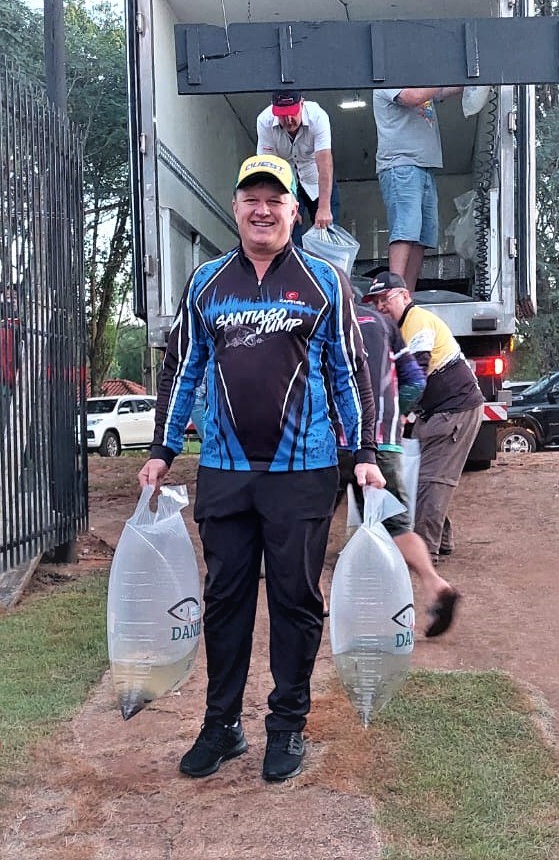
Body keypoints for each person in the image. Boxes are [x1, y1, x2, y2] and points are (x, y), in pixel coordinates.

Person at [138, 154, 384, 785]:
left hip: (303, 470)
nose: (263, 209)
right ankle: (221, 726)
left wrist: (363, 453)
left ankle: (287, 725)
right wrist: (164, 448)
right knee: (225, 601)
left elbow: (348, 374)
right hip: (224, 469)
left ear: (294, 211)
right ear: (236, 206)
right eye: (252, 198)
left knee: (295, 600)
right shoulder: (207, 283)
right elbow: (184, 370)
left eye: (275, 199)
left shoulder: (324, 282)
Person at [334, 297, 460, 637]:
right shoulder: (386, 325)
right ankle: (435, 584)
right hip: (382, 443)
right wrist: (395, 414)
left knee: (311, 522)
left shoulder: (324, 319)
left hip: (334, 441)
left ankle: (316, 599)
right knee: (398, 526)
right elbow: (416, 380)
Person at [362, 271, 484, 563]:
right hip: (434, 411)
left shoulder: (417, 320)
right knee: (421, 479)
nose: (380, 306)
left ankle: (424, 551)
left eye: (385, 298)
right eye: (375, 302)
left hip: (455, 407)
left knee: (433, 479)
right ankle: (441, 539)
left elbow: (416, 374)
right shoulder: (396, 329)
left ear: (405, 295)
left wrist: (398, 415)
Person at [372, 86, 463, 295]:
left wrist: (470, 81)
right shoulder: (387, 78)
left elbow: (442, 91)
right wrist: (442, 74)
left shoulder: (421, 81)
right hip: (401, 164)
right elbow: (414, 97)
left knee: (421, 237)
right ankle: (394, 294)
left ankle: (407, 296)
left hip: (423, 164)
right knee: (405, 231)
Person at [257, 91, 339, 239]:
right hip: (284, 182)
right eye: (282, 115)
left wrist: (324, 208)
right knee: (286, 233)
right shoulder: (264, 121)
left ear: (302, 103)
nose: (288, 120)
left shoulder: (318, 117)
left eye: (292, 113)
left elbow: (325, 164)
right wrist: (287, 204)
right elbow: (268, 168)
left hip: (316, 178)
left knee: (327, 233)